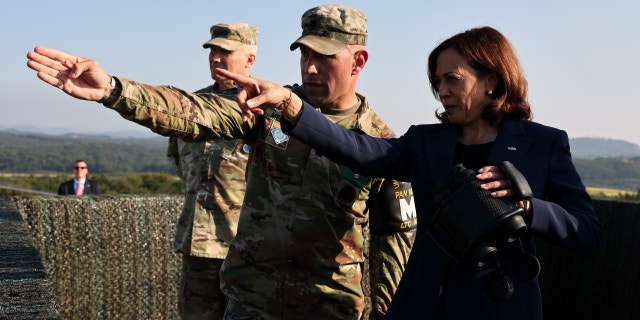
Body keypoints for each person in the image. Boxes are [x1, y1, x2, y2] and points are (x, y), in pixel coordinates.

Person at [26, 5, 415, 319]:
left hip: (327, 308)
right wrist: (113, 89)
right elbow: (193, 112)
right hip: (250, 303)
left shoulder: (382, 147)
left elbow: (392, 252)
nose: (310, 67)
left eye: (325, 57)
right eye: (306, 54)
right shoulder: (269, 110)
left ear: (358, 61)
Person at [213, 26, 607, 319]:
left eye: (452, 79)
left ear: (491, 80)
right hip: (422, 306)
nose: (442, 90)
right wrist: (293, 107)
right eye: (437, 81)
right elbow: (359, 150)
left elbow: (589, 235)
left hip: (502, 307)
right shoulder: (425, 142)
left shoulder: (544, 143)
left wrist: (528, 207)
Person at [165, 23, 257, 320]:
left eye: (225, 52)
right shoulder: (190, 107)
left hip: (246, 248)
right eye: (212, 51)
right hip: (198, 248)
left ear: (250, 59)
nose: (216, 58)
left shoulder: (266, 109)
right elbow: (180, 163)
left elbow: (284, 165)